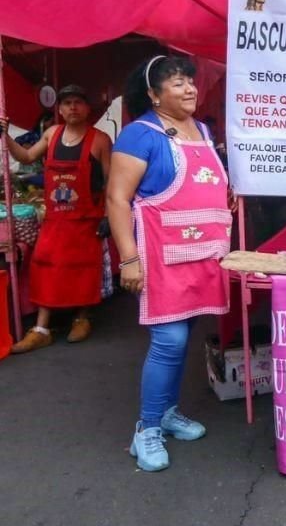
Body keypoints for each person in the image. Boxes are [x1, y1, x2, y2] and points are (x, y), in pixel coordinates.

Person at [107, 55, 233, 472]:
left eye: (189, 81)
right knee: (170, 342)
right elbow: (117, 199)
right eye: (177, 83)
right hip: (162, 258)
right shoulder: (138, 135)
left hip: (202, 256)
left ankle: (166, 412)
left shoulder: (203, 130)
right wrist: (129, 259)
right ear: (153, 94)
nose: (189, 89)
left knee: (186, 335)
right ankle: (145, 430)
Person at [4, 84, 112, 352]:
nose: (72, 107)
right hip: (55, 220)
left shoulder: (100, 140)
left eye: (77, 102)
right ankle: (41, 329)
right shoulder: (52, 134)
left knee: (84, 270)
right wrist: (5, 136)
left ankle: (82, 317)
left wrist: (109, 215)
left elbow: (111, 181)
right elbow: (27, 156)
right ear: (59, 109)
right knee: (45, 267)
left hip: (86, 219)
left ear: (88, 108)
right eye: (66, 103)